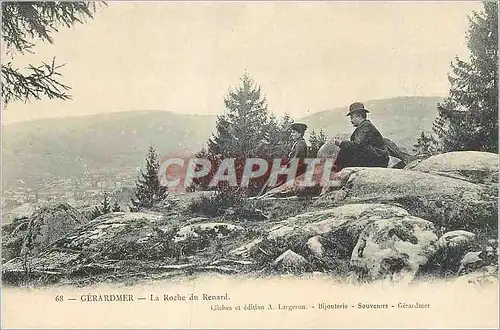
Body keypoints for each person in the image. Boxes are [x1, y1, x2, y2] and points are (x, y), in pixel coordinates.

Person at [333, 102, 389, 171]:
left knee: (346, 148)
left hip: (378, 160)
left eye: (352, 118)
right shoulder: (363, 126)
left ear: (359, 116)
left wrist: (341, 143)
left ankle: (335, 169)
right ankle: (336, 168)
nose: (351, 121)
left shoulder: (366, 126)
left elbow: (357, 145)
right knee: (347, 149)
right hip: (376, 158)